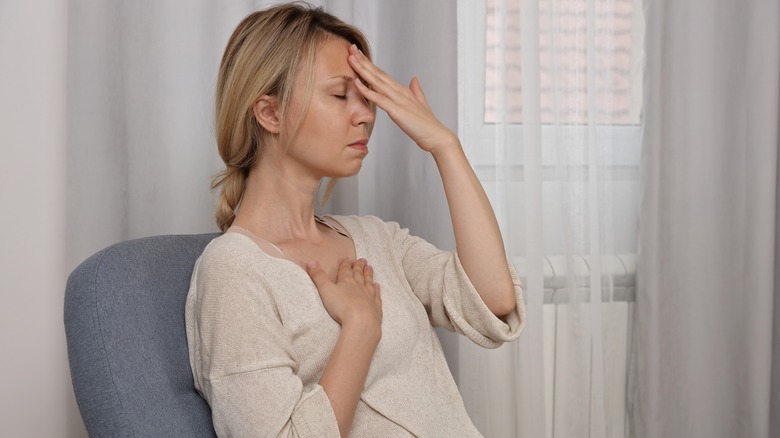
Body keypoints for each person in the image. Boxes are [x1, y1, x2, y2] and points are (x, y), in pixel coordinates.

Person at [185, 3, 526, 437]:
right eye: (340, 95)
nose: (366, 114)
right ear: (269, 113)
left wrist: (445, 146)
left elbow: (493, 300)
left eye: (366, 97)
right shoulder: (233, 272)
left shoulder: (376, 238)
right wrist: (360, 328)